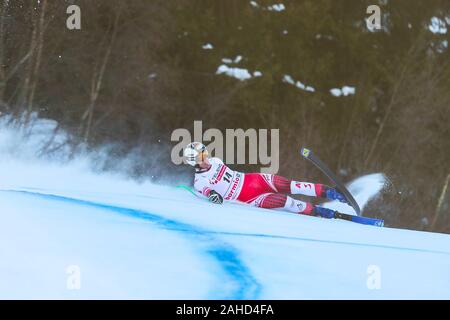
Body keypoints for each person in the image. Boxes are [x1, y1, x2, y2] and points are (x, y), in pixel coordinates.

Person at [183, 142, 349, 219]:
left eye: (204, 153)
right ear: (193, 161)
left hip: (254, 180)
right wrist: (213, 195)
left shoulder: (216, 160)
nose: (205, 158)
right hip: (250, 197)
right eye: (200, 157)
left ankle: (331, 192)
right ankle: (321, 212)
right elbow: (206, 192)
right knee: (286, 202)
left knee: (292, 185)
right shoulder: (200, 181)